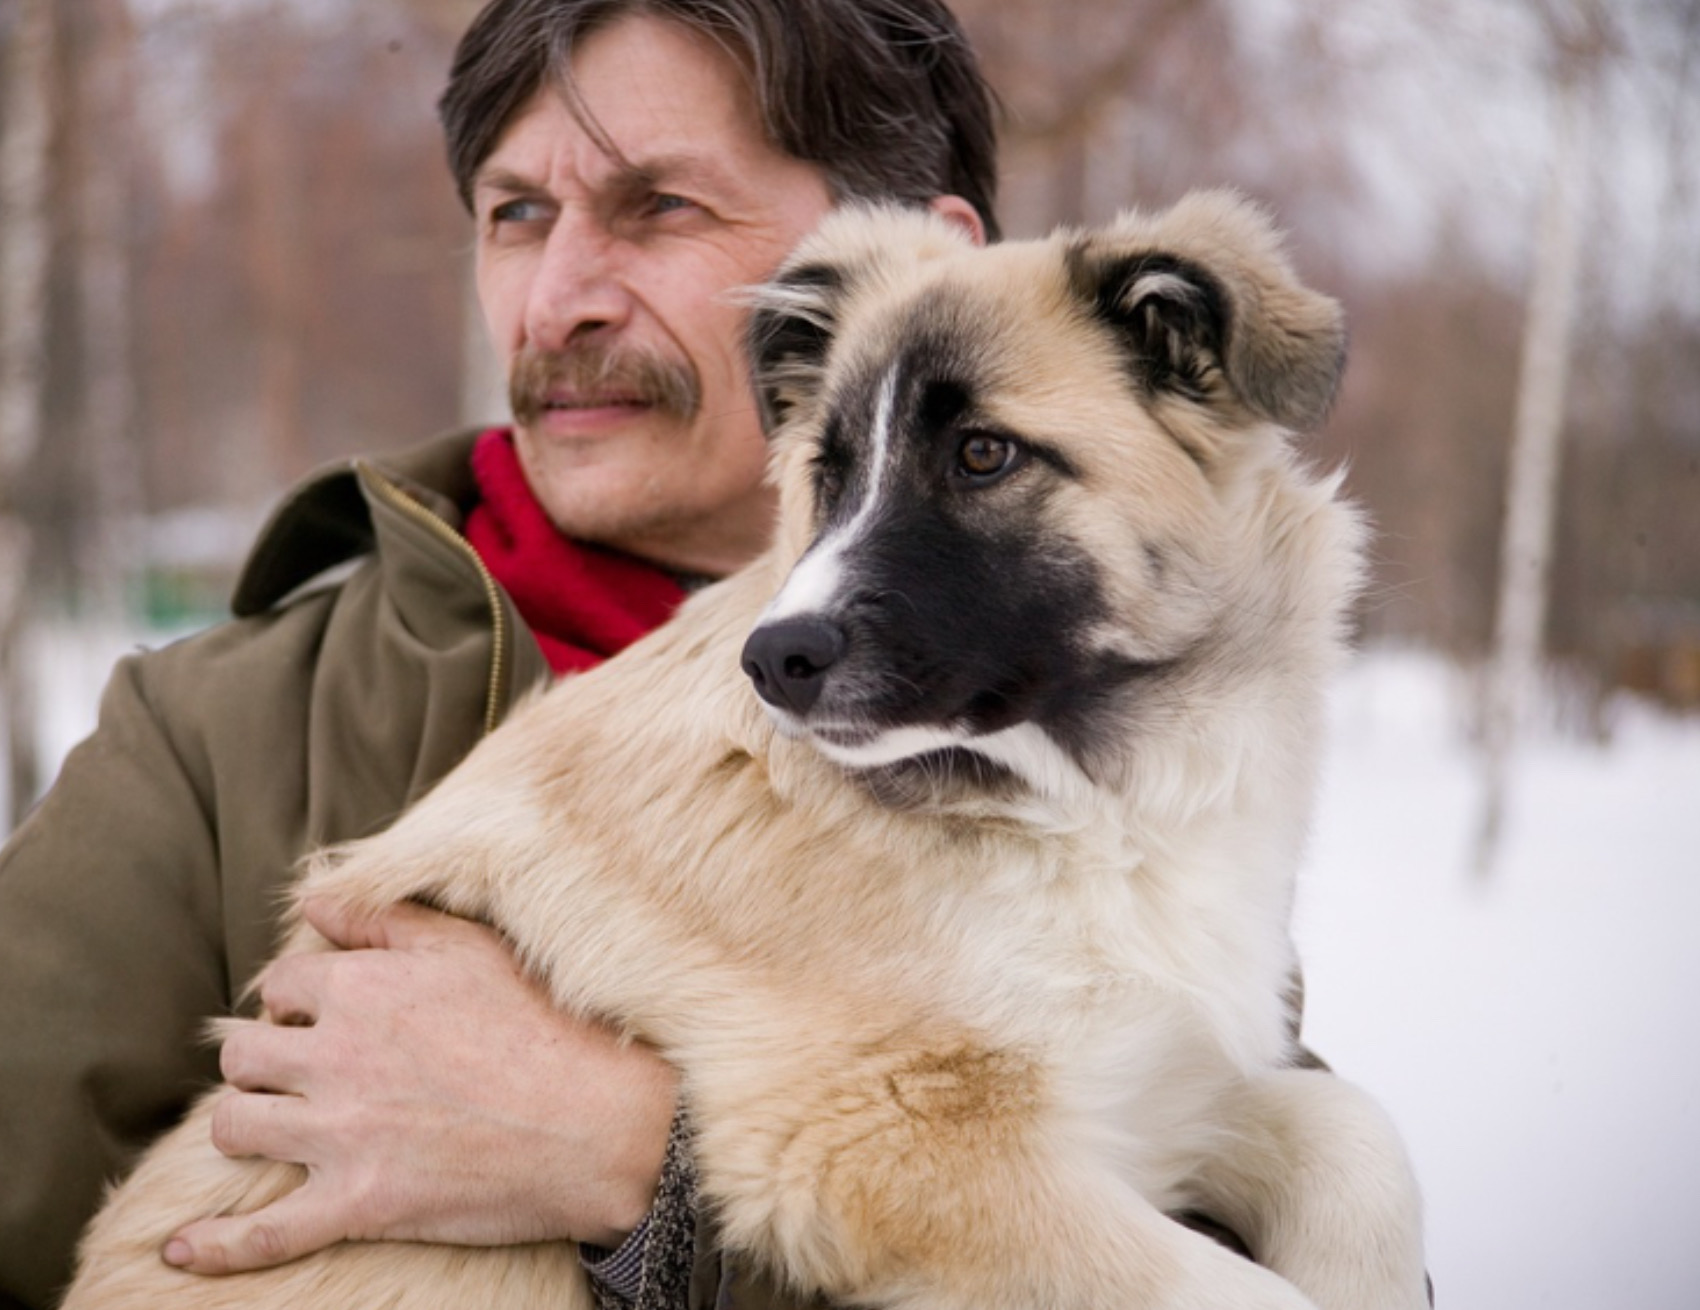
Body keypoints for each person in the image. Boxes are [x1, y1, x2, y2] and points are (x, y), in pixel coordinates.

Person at [0, 3, 999, 1308]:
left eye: (659, 208)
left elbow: (1217, 1256)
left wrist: (651, 1157)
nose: (556, 301)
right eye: (517, 213)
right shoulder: (218, 740)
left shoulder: (1078, 728)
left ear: (920, 263)